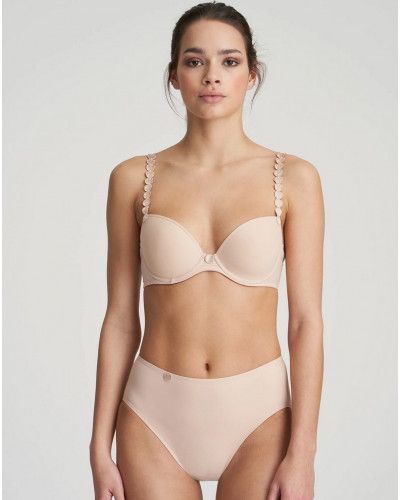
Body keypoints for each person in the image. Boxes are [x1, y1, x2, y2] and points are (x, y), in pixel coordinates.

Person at [89, 2, 325, 499]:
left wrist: (303, 453)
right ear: (174, 75)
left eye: (229, 61)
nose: (211, 76)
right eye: (194, 61)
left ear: (251, 73)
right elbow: (120, 320)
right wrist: (97, 447)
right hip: (153, 417)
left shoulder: (295, 179)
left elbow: (305, 323)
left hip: (260, 418)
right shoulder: (131, 179)